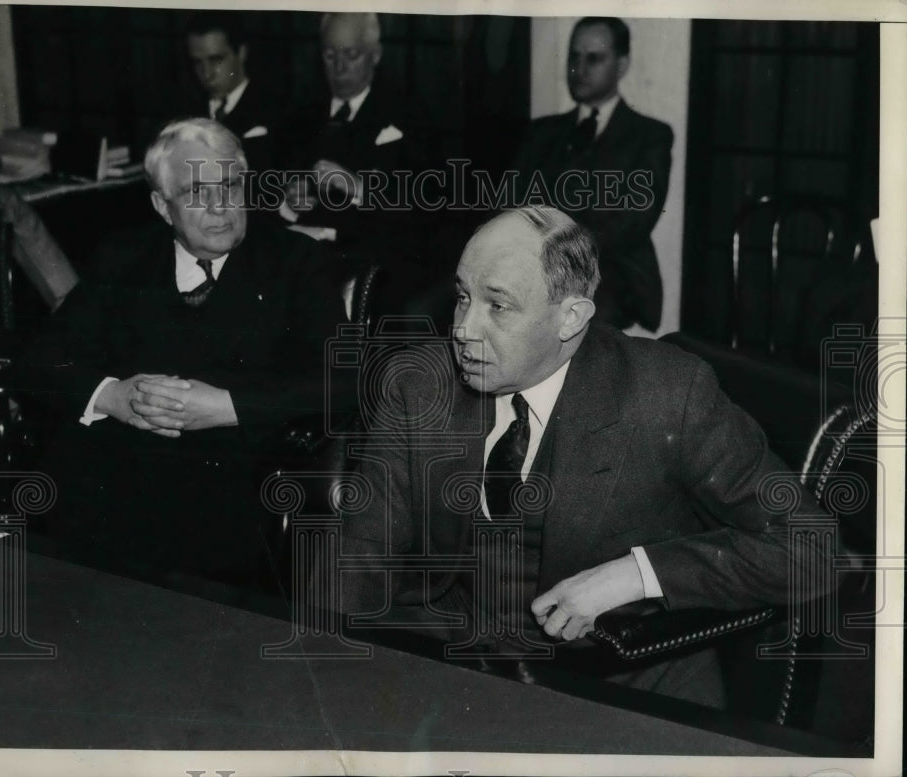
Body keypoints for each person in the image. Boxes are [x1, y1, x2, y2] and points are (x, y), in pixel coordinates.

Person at [329, 206, 833, 707]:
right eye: (463, 297)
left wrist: (635, 575)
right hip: (457, 665)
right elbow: (363, 556)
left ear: (570, 317)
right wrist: (329, 682)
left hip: (614, 679)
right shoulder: (420, 382)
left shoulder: (665, 394)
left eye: (497, 306)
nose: (463, 328)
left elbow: (814, 549)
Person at [16, 118, 346, 593]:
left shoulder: (295, 262)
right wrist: (111, 397)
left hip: (228, 484)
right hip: (110, 478)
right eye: (195, 192)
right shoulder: (122, 257)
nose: (219, 207)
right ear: (162, 206)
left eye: (230, 184)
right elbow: (40, 359)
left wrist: (228, 405)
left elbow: (347, 380)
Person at [513, 17, 673, 332]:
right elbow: (512, 201)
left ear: (622, 65)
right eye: (573, 57)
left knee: (578, 323)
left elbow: (634, 219)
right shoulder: (542, 132)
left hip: (609, 272)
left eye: (594, 58)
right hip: (534, 265)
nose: (579, 68)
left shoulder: (649, 135)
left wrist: (562, 256)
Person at [280, 12, 430, 248]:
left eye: (351, 55)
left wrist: (358, 187)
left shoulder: (408, 114)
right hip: (302, 252)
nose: (339, 68)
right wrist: (289, 202)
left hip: (370, 258)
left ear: (376, 55)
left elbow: (426, 206)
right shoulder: (301, 114)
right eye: (330, 56)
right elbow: (271, 194)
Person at [183, 12, 278, 178]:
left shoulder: (275, 108)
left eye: (215, 60)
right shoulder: (186, 113)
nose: (206, 73)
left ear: (241, 53)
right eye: (198, 62)